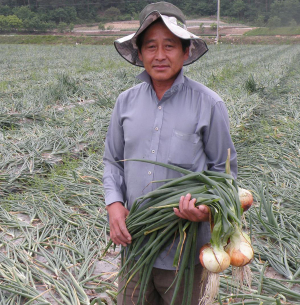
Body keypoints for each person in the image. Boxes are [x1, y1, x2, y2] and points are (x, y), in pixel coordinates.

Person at [103, 2, 238, 304]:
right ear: (139, 52)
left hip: (185, 252)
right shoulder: (125, 103)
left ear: (186, 51)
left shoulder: (209, 105)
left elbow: (225, 173)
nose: (160, 55)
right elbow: (112, 161)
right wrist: (114, 204)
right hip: (135, 245)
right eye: (150, 46)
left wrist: (206, 210)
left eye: (170, 46)